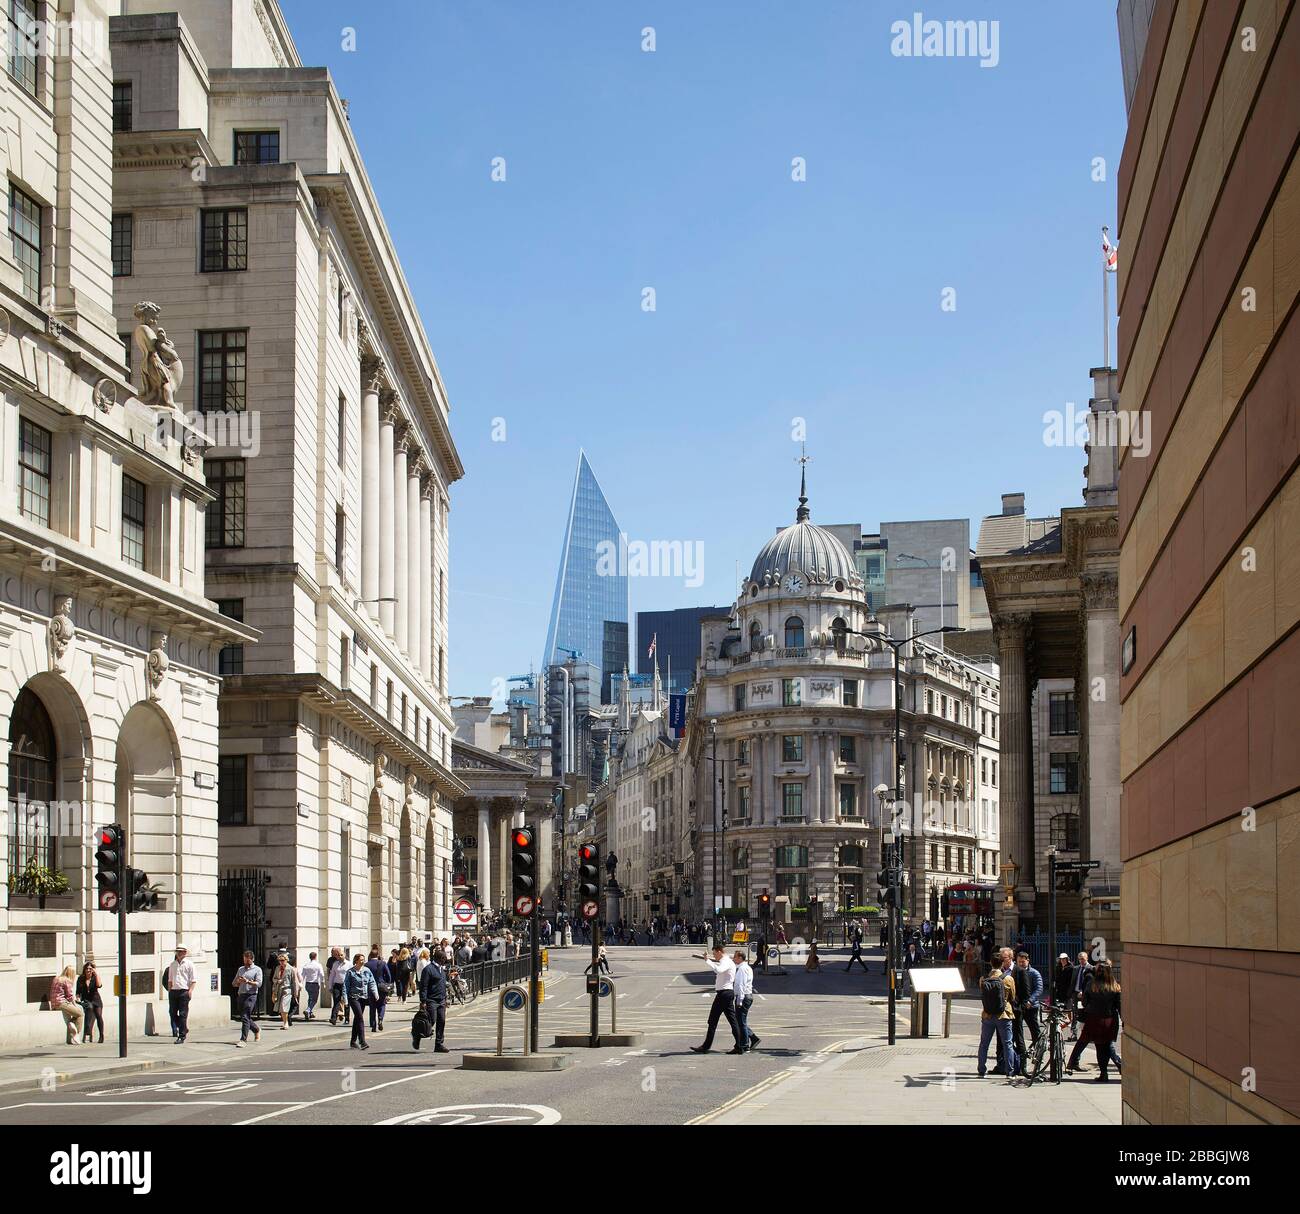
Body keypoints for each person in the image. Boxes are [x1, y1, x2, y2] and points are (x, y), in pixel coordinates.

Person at [1066, 962, 1122, 1081]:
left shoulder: (1092, 985)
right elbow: (1119, 1005)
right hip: (1109, 1020)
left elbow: (1085, 1002)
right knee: (1106, 1046)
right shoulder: (1115, 986)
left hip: (1094, 1019)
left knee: (1098, 1046)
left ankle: (1104, 1073)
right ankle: (1105, 1072)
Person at [690, 945, 744, 1054]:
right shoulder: (727, 961)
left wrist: (708, 961)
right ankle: (739, 1046)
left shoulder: (725, 961)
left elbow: (719, 970)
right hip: (726, 993)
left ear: (719, 952)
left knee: (713, 1021)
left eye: (714, 953)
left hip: (724, 994)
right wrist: (707, 960)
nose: (714, 955)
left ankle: (706, 1047)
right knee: (729, 1021)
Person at [977, 961, 1017, 1080]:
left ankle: (981, 1070)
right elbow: (1013, 996)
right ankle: (1009, 1072)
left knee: (984, 1044)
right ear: (1002, 965)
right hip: (1004, 1014)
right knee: (1007, 1044)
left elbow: (982, 994)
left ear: (990, 963)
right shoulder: (1008, 979)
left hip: (987, 1014)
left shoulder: (983, 979)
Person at [416, 951, 450, 1053]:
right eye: (444, 958)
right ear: (439, 958)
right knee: (431, 1021)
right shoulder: (428, 969)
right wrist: (423, 1001)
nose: (446, 960)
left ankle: (439, 1044)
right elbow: (424, 986)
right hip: (431, 1000)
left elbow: (443, 985)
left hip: (441, 1000)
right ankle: (417, 1033)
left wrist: (446, 999)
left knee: (442, 1021)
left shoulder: (441, 970)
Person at [343, 953, 377, 1050]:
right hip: (353, 997)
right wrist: (345, 1000)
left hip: (363, 997)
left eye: (363, 959)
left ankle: (353, 1041)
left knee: (357, 1019)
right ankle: (362, 1041)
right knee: (360, 1018)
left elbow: (372, 982)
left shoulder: (367, 970)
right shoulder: (350, 972)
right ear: (356, 961)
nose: (363, 961)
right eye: (361, 959)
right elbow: (346, 986)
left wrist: (375, 993)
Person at [164, 944, 197, 1043]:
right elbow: (169, 979)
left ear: (185, 953)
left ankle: (182, 1036)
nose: (178, 953)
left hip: (184, 991)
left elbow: (193, 979)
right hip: (174, 991)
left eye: (181, 951)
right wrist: (170, 990)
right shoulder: (172, 964)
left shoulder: (189, 964)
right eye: (177, 951)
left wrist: (190, 991)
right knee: (172, 1013)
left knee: (183, 1014)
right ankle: (184, 1027)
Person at [233, 951, 263, 1047]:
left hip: (251, 995)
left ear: (252, 959)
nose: (246, 962)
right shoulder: (241, 969)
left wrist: (248, 982)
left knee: (245, 1016)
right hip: (241, 994)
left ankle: (243, 1040)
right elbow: (234, 983)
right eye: (244, 960)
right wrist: (238, 981)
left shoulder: (257, 970)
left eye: (248, 960)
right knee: (244, 1017)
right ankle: (256, 1029)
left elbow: (259, 983)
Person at [732, 950, 760, 1052]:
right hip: (747, 996)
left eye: (735, 957)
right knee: (740, 1021)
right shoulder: (745, 967)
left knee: (741, 1022)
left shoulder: (742, 969)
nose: (733, 958)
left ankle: (744, 1045)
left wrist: (739, 1000)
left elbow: (741, 985)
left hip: (743, 997)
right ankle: (753, 1038)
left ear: (740, 958)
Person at [49, 967, 84, 1045]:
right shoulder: (67, 980)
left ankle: (71, 1030)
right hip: (62, 1003)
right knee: (80, 1014)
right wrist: (75, 1005)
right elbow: (70, 996)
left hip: (54, 1003)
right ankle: (76, 1034)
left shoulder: (56, 978)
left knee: (74, 1016)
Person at [269, 951, 300, 1030]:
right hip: (278, 990)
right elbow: (274, 978)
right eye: (280, 961)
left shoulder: (291, 969)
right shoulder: (277, 968)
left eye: (283, 960)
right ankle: (285, 1022)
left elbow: (294, 981)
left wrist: (295, 993)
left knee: (284, 1006)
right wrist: (277, 981)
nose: (281, 962)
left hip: (287, 990)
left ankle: (286, 1023)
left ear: (286, 960)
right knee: (280, 1008)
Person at [76, 962, 104, 1044]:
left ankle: (101, 1035)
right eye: (87, 968)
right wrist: (77, 998)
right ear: (84, 970)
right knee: (90, 1008)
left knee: (99, 1015)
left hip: (96, 999)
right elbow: (78, 991)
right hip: (87, 1000)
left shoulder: (95, 977)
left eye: (90, 969)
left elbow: (99, 985)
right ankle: (87, 1032)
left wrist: (96, 974)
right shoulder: (81, 978)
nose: (88, 970)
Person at [366, 946, 392, 1031]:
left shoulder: (366, 964)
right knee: (382, 1004)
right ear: (378, 955)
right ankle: (380, 1018)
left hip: (370, 987)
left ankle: (373, 1025)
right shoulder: (383, 963)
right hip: (381, 987)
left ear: (370, 955)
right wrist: (387, 984)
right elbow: (388, 976)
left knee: (372, 1006)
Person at [300, 951, 324, 1020]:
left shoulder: (306, 965)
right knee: (314, 999)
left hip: (307, 983)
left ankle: (310, 1012)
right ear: (316, 957)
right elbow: (321, 974)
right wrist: (323, 982)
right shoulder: (318, 965)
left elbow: (303, 975)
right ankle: (308, 1010)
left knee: (310, 998)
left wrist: (301, 983)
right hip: (315, 983)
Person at [327, 947, 348, 1026]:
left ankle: (347, 1018)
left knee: (346, 1001)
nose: (340, 957)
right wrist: (330, 986)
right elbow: (332, 975)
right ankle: (333, 1018)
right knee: (336, 1001)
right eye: (338, 955)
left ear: (344, 955)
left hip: (346, 985)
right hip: (337, 985)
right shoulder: (335, 964)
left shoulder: (348, 964)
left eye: (341, 955)